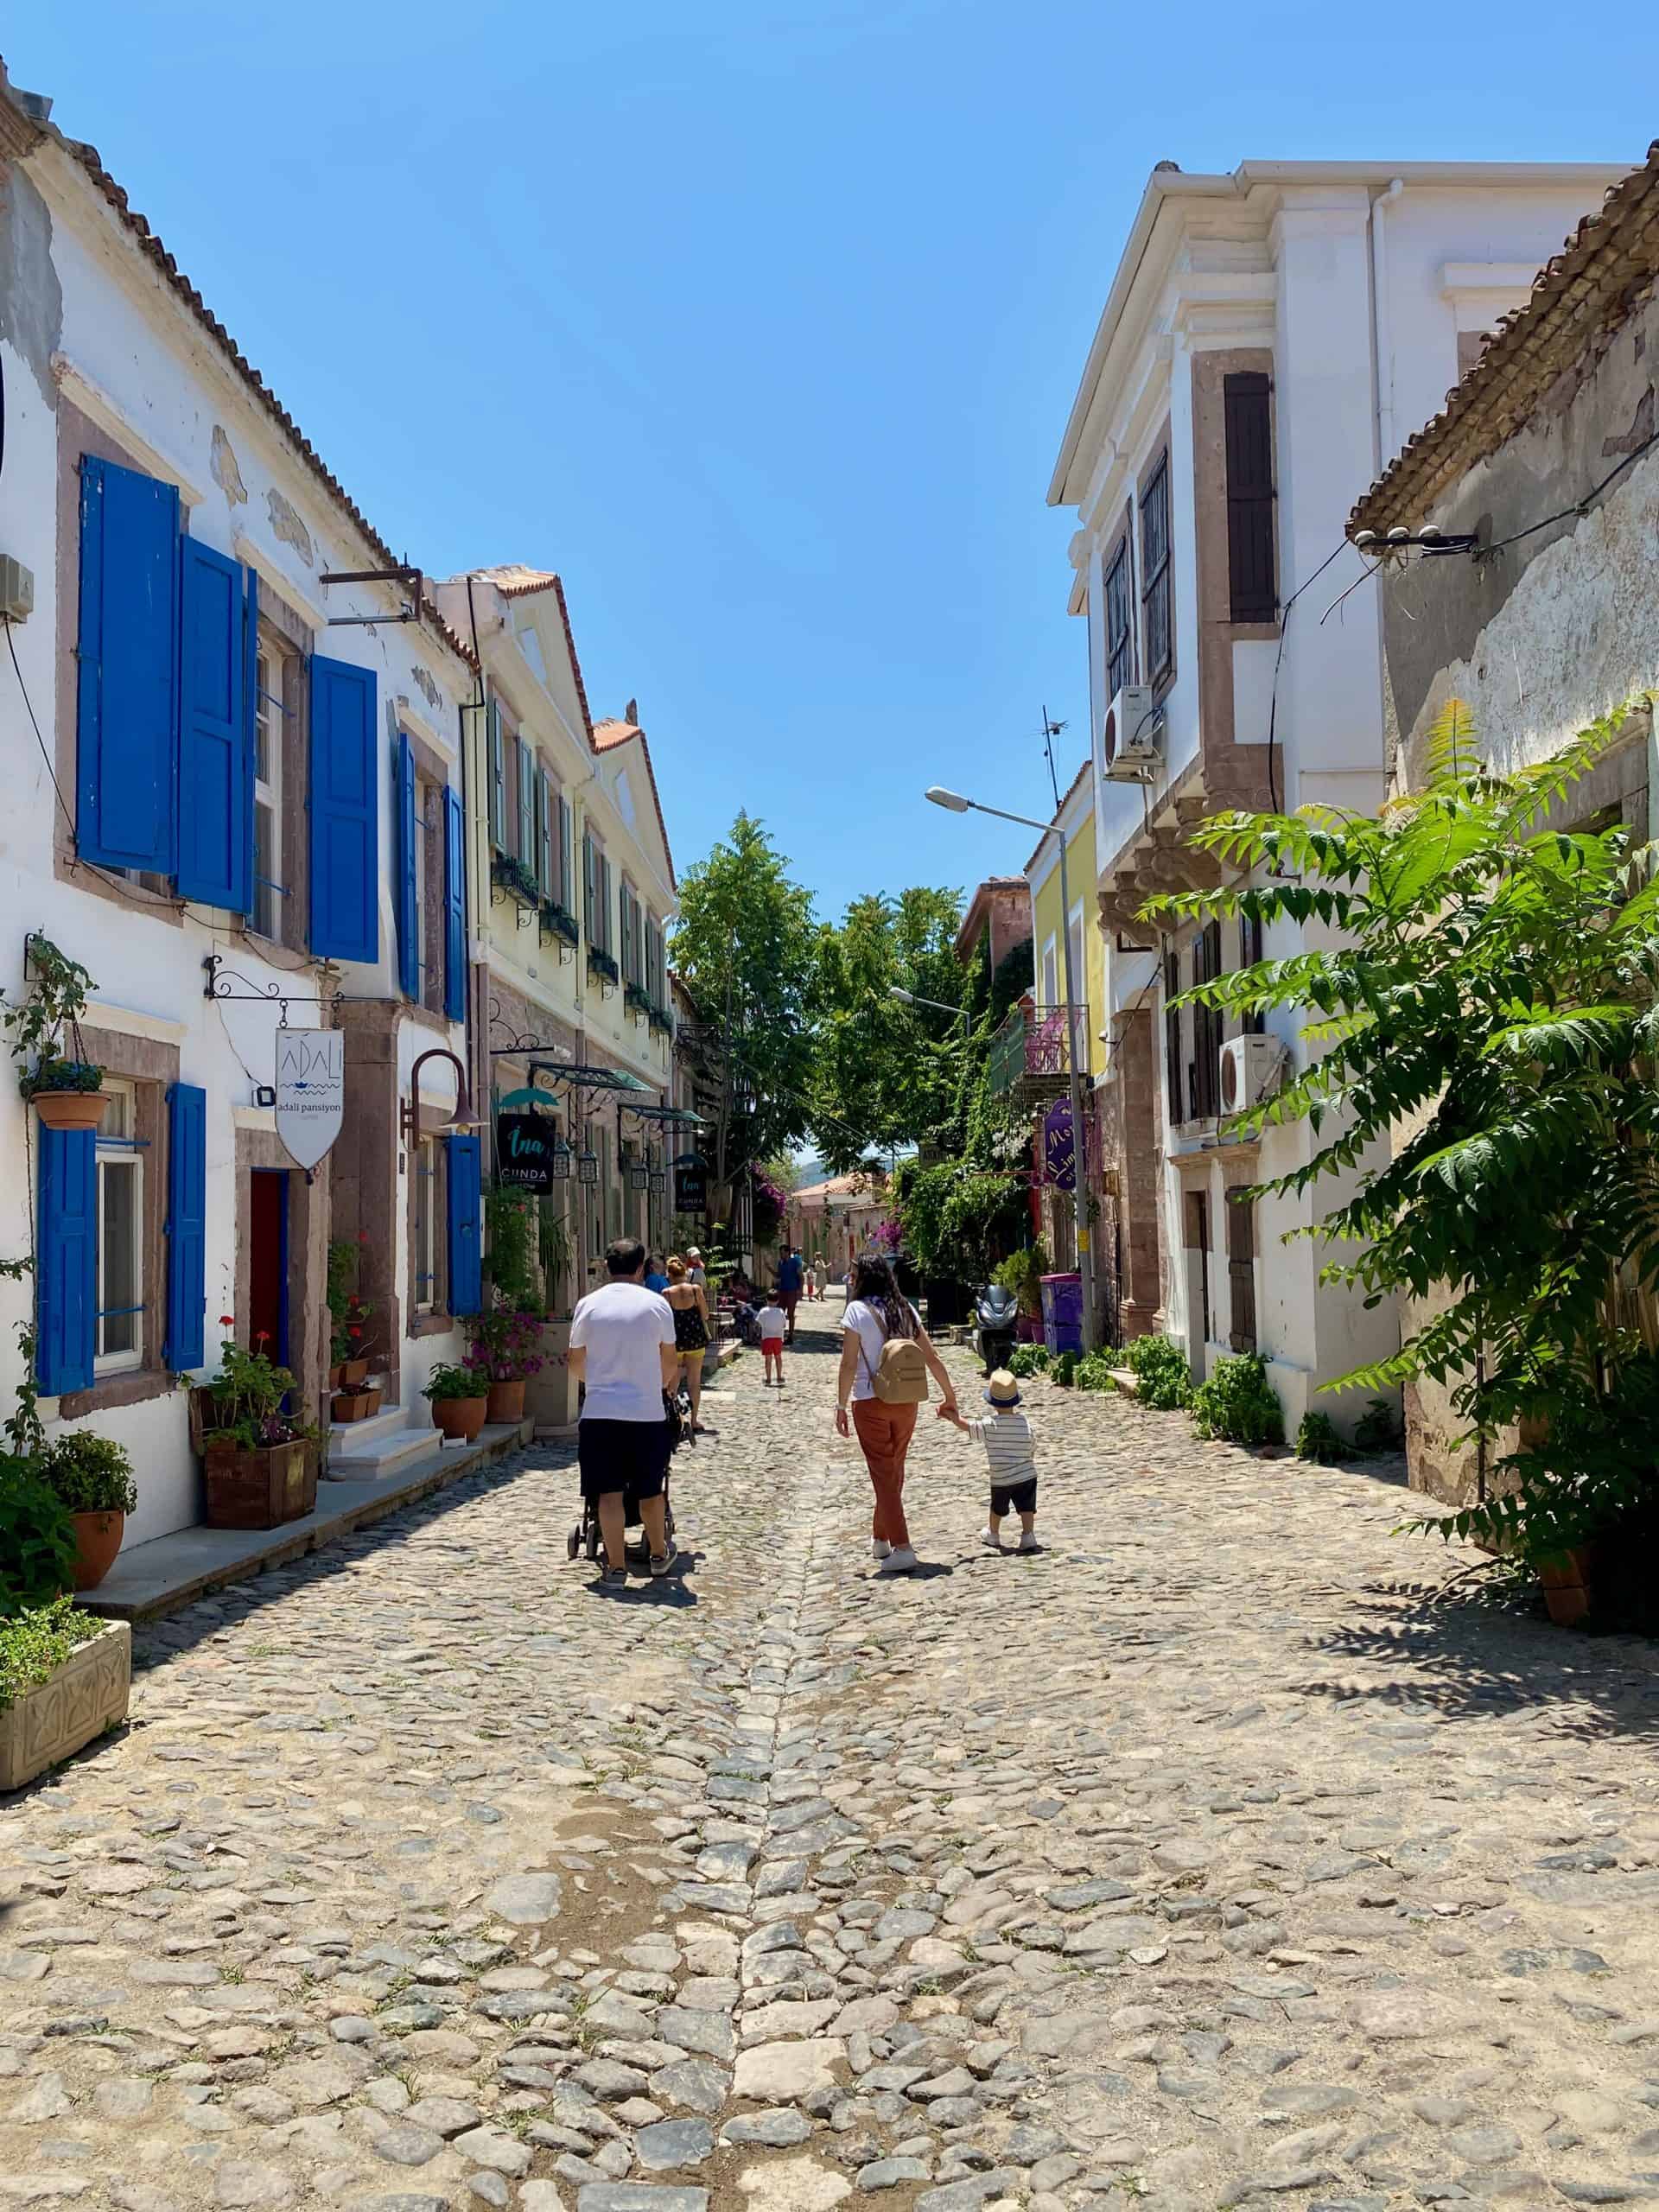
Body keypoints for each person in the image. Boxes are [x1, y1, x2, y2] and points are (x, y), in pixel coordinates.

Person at [835, 1254, 958, 1575]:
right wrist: (949, 1396)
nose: (850, 1278)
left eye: (853, 1273)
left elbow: (848, 1364)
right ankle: (880, 1538)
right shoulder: (906, 1308)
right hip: (906, 1401)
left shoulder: (856, 1311)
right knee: (893, 1473)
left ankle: (903, 1548)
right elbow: (930, 1357)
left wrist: (840, 1404)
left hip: (870, 1400)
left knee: (884, 1475)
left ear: (862, 1278)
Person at [568, 1236, 678, 1586]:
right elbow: (669, 1360)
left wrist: (597, 1381)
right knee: (650, 1490)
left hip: (601, 1413)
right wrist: (654, 1386)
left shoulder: (588, 1305)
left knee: (609, 1492)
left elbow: (575, 1361)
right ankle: (659, 1555)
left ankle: (615, 1567)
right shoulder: (656, 1305)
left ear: (606, 1267)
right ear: (642, 1267)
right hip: (645, 1413)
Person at [940, 1367, 1039, 1553]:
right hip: (1027, 1474)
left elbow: (968, 1427)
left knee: (998, 1507)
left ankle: (993, 1533)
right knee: (1027, 1506)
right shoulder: (1023, 1422)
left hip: (1001, 1477)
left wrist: (953, 1417)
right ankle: (1028, 1535)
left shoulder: (989, 1425)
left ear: (992, 1402)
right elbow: (1032, 1443)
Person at [662, 1254, 712, 1432]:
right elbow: (705, 1315)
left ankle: (675, 1418)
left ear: (670, 1275)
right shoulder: (695, 1289)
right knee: (694, 1382)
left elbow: (663, 1321)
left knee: (672, 1383)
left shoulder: (666, 1294)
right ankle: (695, 1420)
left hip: (675, 1342)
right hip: (695, 1341)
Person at [755, 1290, 788, 1386]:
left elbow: (758, 1323)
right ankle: (779, 1377)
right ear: (778, 1301)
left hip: (767, 1338)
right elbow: (784, 1325)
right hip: (778, 1338)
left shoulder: (763, 1311)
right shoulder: (781, 1311)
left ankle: (768, 1379)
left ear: (767, 1300)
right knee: (778, 1357)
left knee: (768, 1359)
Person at [777, 1246, 804, 1341]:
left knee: (791, 1314)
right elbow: (778, 1275)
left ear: (787, 1253)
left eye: (782, 1253)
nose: (781, 1255)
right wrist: (768, 1268)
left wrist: (800, 1290)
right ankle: (780, 1334)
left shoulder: (794, 1262)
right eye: (780, 1253)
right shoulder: (780, 1263)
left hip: (792, 1291)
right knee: (780, 1313)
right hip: (782, 1290)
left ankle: (791, 1335)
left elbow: (801, 1276)